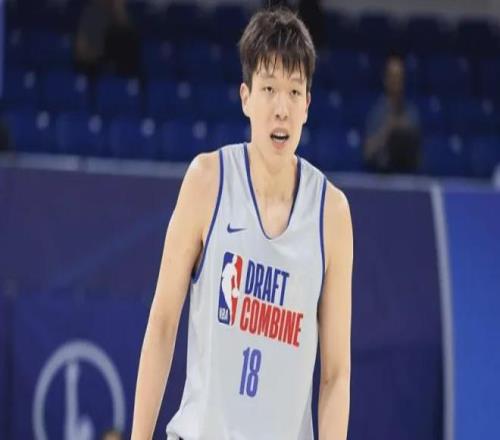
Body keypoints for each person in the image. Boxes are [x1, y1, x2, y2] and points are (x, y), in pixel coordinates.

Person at [131, 8, 352, 440]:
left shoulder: (332, 213)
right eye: (269, 89)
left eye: (294, 91)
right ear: (246, 97)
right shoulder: (207, 181)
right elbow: (162, 324)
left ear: (308, 105)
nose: (281, 108)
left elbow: (336, 374)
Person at [364, 55, 421, 173]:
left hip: (408, 176)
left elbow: (419, 157)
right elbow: (367, 152)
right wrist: (388, 129)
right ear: (385, 79)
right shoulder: (376, 112)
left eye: (399, 76)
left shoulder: (411, 113)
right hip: (381, 176)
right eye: (392, 76)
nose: (396, 81)